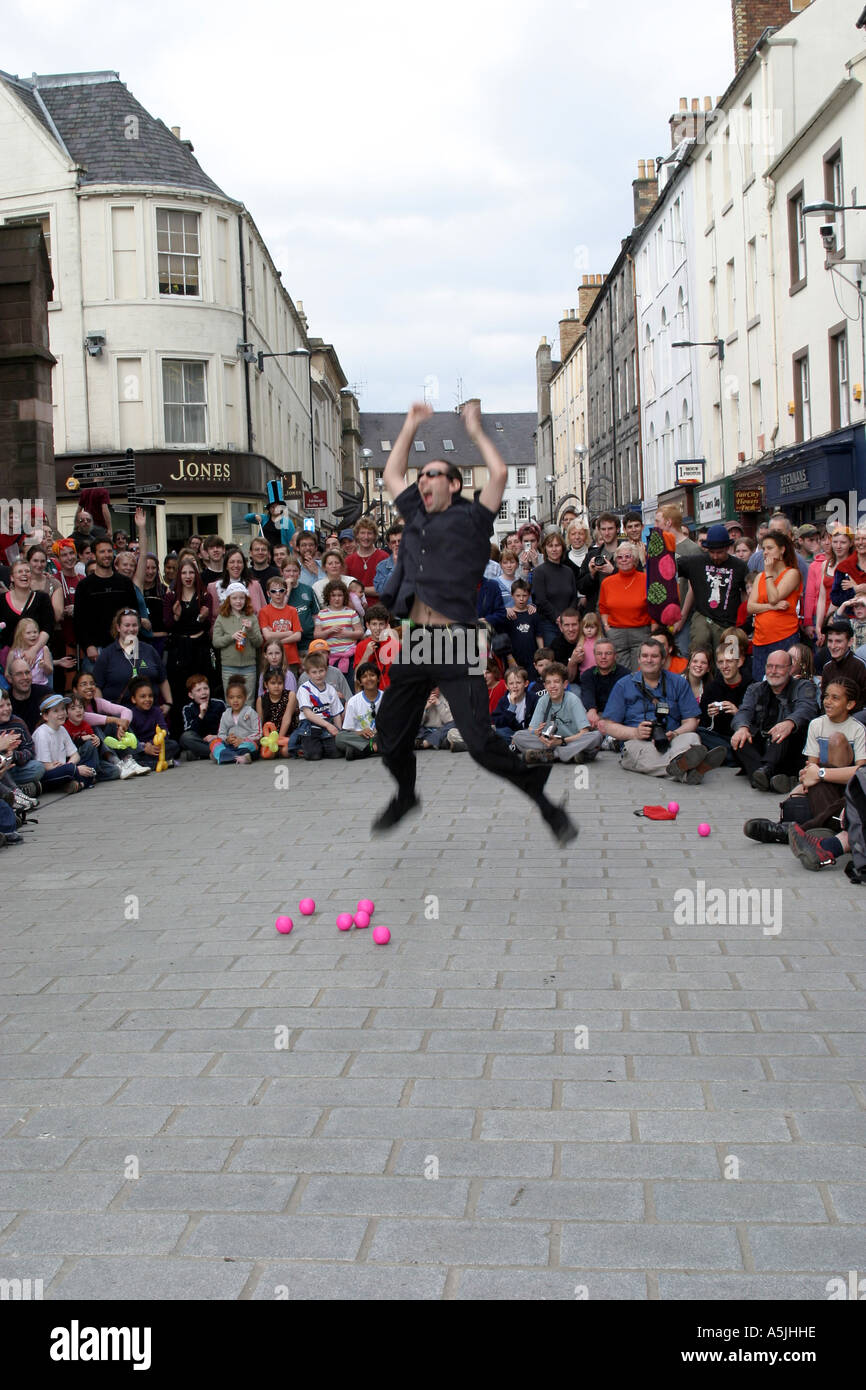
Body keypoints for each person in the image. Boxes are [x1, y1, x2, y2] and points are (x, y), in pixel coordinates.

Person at [375, 400, 577, 844]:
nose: (423, 480)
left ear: (454, 483)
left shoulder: (471, 517)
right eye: (421, 475)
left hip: (457, 639)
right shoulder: (416, 513)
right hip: (418, 639)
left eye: (433, 474)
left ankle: (545, 804)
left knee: (481, 744)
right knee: (388, 735)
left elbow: (500, 474)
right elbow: (392, 473)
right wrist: (409, 424)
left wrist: (475, 430)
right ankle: (406, 794)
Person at [744, 679, 866, 845]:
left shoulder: (858, 730)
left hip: (846, 786)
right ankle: (826, 829)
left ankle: (790, 831)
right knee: (794, 798)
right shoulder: (816, 725)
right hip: (823, 785)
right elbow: (811, 767)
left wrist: (820, 774)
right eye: (826, 696)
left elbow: (860, 773)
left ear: (850, 704)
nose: (828, 702)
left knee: (836, 741)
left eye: (835, 698)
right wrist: (805, 781)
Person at [598, 638, 725, 783]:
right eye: (645, 656)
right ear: (638, 659)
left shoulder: (678, 682)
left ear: (663, 659)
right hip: (639, 742)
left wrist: (676, 733)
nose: (649, 660)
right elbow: (608, 725)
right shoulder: (623, 685)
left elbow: (692, 721)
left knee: (692, 738)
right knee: (637, 755)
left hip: (673, 739)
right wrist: (635, 732)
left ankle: (683, 764)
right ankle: (691, 769)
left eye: (654, 656)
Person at [729, 648, 818, 791]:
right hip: (763, 744)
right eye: (770, 666)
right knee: (739, 738)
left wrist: (790, 722)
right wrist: (742, 728)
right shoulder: (755, 689)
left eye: (779, 667)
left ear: (790, 669)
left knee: (782, 732)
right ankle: (768, 776)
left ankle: (763, 773)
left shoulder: (803, 686)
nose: (773, 671)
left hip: (788, 748)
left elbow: (807, 708)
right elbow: (744, 711)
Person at [676, 523, 748, 656]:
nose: (715, 556)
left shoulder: (740, 567)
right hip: (703, 615)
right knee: (699, 646)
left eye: (719, 552)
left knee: (728, 658)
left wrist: (743, 622)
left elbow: (745, 596)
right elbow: (669, 567)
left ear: (727, 547)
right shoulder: (696, 562)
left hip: (728, 622)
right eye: (712, 552)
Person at [511, 663, 603, 764]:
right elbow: (532, 730)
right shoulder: (543, 701)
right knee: (518, 736)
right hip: (549, 742)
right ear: (545, 685)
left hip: (570, 741)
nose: (552, 686)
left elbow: (584, 732)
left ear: (565, 684)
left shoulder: (572, 700)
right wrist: (538, 734)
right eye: (548, 683)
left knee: (596, 736)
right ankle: (569, 755)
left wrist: (562, 741)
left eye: (556, 682)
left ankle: (551, 755)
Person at [162, 558, 213, 735]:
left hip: (199, 648)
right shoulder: (171, 595)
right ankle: (180, 734)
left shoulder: (205, 596)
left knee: (202, 688)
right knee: (180, 691)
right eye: (184, 573)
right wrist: (176, 617)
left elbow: (204, 626)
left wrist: (201, 618)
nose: (188, 576)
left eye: (191, 572)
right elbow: (167, 624)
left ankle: (203, 731)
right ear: (178, 575)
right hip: (179, 649)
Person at [73, 539, 138, 670]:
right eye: (102, 551)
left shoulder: (125, 583)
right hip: (96, 650)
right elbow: (79, 620)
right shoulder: (84, 586)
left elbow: (133, 612)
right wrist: (88, 646)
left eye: (109, 551)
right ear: (94, 555)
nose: (106, 554)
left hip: (123, 646)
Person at [747, 530, 803, 681]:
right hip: (760, 638)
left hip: (784, 636)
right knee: (760, 682)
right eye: (764, 548)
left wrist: (769, 573)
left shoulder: (792, 573)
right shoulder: (760, 576)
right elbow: (750, 607)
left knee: (782, 680)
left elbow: (773, 597)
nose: (765, 552)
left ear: (782, 549)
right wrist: (772, 608)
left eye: (770, 548)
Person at [92, 609, 171, 710]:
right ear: (118, 627)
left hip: (150, 714)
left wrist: (169, 703)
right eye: (127, 625)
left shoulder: (149, 650)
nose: (131, 629)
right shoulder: (107, 654)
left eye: (134, 625)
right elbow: (97, 686)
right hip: (119, 716)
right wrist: (103, 714)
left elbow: (163, 679)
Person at [598, 542, 651, 674]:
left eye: (628, 556)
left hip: (641, 632)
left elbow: (653, 607)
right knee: (621, 673)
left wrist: (653, 629)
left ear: (635, 559)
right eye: (620, 557)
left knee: (641, 671)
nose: (624, 560)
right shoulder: (607, 582)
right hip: (616, 633)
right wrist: (606, 626)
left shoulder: (646, 580)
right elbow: (603, 607)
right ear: (615, 560)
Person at [32, 692, 97, 793]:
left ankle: (77, 783)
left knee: (88, 764)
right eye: (56, 711)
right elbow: (45, 766)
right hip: (49, 774)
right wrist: (73, 769)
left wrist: (71, 765)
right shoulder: (42, 733)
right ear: (45, 715)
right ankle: (82, 782)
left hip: (63, 768)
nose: (61, 713)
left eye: (62, 709)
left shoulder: (62, 729)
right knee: (71, 771)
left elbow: (75, 755)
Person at [697, 640, 748, 764]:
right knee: (696, 731)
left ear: (739, 662)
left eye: (729, 661)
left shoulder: (751, 687)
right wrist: (709, 714)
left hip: (742, 738)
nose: (724, 666)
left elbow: (758, 722)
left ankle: (725, 757)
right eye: (721, 662)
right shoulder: (712, 688)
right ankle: (728, 756)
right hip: (718, 738)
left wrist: (738, 713)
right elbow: (703, 723)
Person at [211, 583, 263, 703]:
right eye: (234, 598)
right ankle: (232, 722)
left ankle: (247, 722)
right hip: (229, 666)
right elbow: (216, 642)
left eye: (242, 598)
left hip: (249, 666)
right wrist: (231, 637)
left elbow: (259, 642)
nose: (238, 601)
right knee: (231, 702)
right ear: (228, 599)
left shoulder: (252, 617)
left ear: (246, 599)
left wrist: (250, 631)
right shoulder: (222, 617)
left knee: (248, 701)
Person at [288, 650, 344, 760]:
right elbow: (308, 714)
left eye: (321, 671)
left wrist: (338, 731)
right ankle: (300, 743)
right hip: (310, 726)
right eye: (314, 672)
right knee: (314, 755)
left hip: (327, 723)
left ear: (326, 670)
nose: (318, 675)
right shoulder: (304, 689)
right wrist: (328, 726)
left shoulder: (331, 689)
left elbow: (336, 713)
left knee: (336, 753)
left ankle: (323, 745)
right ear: (307, 673)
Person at [1, 559, 54, 669]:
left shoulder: (42, 598)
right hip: (8, 658)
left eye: (27, 571)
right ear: (11, 577)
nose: (24, 574)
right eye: (20, 571)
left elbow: (48, 627)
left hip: (38, 658)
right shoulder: (1, 600)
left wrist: (33, 650)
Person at [530, 530, 578, 644]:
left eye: (557, 545)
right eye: (550, 546)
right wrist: (557, 618)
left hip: (569, 625)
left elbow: (574, 598)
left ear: (562, 548)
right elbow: (541, 600)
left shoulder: (568, 571)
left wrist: (567, 618)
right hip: (549, 625)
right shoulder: (539, 571)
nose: (554, 549)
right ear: (545, 549)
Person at [126, 677, 180, 769]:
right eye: (143, 696)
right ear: (134, 699)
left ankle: (149, 763)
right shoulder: (131, 714)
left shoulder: (157, 711)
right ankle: (159, 763)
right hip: (141, 749)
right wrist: (144, 747)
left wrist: (152, 744)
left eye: (150, 696)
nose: (147, 699)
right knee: (131, 753)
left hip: (156, 745)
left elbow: (164, 731)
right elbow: (131, 738)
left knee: (174, 745)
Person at [313, 580, 363, 677]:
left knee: (349, 685)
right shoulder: (322, 614)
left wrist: (347, 634)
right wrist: (329, 631)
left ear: (344, 596)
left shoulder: (351, 613)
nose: (337, 599)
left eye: (340, 595)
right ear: (328, 596)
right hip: (329, 657)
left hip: (349, 655)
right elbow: (316, 635)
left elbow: (360, 632)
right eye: (333, 595)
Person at [0, 687, 44, 793]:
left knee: (38, 768)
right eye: (1, 706)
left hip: (15, 768)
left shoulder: (18, 723)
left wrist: (14, 755)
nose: (6, 709)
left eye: (9, 704)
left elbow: (29, 749)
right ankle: (18, 791)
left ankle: (14, 789)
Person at [336, 662, 383, 760]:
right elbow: (348, 729)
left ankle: (366, 750)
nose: (369, 679)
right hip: (362, 737)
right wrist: (361, 732)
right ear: (360, 682)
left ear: (378, 678)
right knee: (340, 737)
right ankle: (376, 748)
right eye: (364, 676)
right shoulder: (353, 701)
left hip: (381, 735)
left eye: (372, 675)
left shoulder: (387, 698)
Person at [816, 526, 855, 642]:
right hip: (827, 617)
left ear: (851, 544)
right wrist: (819, 625)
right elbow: (821, 598)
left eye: (843, 542)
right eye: (835, 542)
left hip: (844, 617)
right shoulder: (825, 564)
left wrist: (828, 620)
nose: (838, 546)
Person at [211, 675, 262, 764]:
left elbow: (258, 732)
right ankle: (234, 756)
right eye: (231, 697)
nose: (235, 700)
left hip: (245, 744)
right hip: (230, 745)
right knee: (214, 744)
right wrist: (227, 739)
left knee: (252, 746)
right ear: (227, 699)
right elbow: (221, 733)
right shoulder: (225, 714)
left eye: (239, 697)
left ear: (245, 698)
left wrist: (243, 740)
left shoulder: (250, 712)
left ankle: (226, 757)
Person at [579, 639, 628, 731]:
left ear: (615, 655)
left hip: (618, 717)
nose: (603, 657)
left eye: (608, 653)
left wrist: (608, 720)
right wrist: (591, 709)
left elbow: (624, 704)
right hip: (595, 716)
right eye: (599, 653)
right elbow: (588, 693)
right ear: (594, 655)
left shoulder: (625, 675)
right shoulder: (587, 675)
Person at [819, 619, 866, 711]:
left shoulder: (860, 666)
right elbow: (823, 699)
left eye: (838, 641)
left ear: (850, 642)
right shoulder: (827, 668)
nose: (833, 646)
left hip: (856, 718)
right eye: (830, 641)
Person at [258, 577, 302, 674]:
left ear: (286, 592)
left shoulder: (292, 610)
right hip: (271, 660)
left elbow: (298, 636)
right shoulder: (264, 611)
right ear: (268, 594)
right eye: (273, 591)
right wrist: (289, 632)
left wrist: (278, 641)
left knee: (291, 687)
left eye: (281, 590)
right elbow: (267, 636)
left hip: (291, 658)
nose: (278, 594)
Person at [208, 546, 266, 618]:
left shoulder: (255, 585)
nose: (236, 565)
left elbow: (264, 613)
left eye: (239, 562)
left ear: (244, 565)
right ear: (226, 566)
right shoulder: (213, 587)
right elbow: (211, 618)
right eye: (232, 562)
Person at [179, 674, 227, 762]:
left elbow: (229, 725)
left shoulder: (219, 704)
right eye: (198, 690)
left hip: (218, 738)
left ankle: (200, 754)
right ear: (191, 695)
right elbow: (190, 731)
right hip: (200, 741)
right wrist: (201, 714)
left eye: (206, 688)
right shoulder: (188, 708)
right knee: (185, 737)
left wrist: (216, 736)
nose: (203, 692)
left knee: (232, 736)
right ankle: (220, 752)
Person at [577, 512, 619, 611]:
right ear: (599, 530)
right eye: (603, 529)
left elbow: (635, 581)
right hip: (597, 611)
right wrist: (591, 574)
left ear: (617, 529)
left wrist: (613, 571)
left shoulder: (627, 552)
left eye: (610, 528)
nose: (607, 533)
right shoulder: (592, 555)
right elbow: (581, 587)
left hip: (620, 611)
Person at [353, 605, 398, 690]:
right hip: (371, 693)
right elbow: (357, 674)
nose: (377, 628)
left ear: (386, 625)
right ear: (368, 625)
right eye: (374, 624)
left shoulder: (394, 644)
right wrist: (367, 654)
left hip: (390, 692)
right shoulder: (361, 645)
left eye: (381, 624)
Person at [504, 580, 544, 672]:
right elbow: (505, 640)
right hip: (514, 658)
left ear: (529, 595)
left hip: (532, 658)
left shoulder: (533, 614)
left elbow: (539, 635)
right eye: (518, 596)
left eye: (524, 595)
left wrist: (541, 655)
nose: (521, 599)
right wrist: (509, 658)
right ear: (512, 595)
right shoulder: (508, 615)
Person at [281, 556, 318, 656]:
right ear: (282, 572)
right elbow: (280, 609)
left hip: (308, 642)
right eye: (288, 571)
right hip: (288, 642)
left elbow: (315, 614)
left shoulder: (307, 589)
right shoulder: (277, 591)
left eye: (295, 571)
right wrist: (288, 588)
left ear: (300, 573)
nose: (291, 574)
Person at [491, 666, 540, 740]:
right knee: (500, 732)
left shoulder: (533, 698)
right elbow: (499, 723)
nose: (515, 686)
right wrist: (512, 707)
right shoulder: (504, 701)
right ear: (506, 686)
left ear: (526, 683)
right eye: (511, 683)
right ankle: (516, 744)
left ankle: (516, 744)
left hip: (527, 732)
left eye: (518, 682)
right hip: (511, 733)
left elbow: (537, 720)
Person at [5, 617, 53, 690]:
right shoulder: (14, 652)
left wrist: (44, 666)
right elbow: (7, 674)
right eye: (28, 633)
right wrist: (16, 684)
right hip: (21, 689)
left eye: (35, 632)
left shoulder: (44, 649)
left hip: (41, 687)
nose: (33, 635)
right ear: (20, 635)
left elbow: (49, 672)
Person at [256, 668, 297, 749]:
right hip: (268, 735)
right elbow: (260, 722)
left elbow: (287, 718)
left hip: (287, 734)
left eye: (280, 683)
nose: (276, 686)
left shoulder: (290, 695)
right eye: (273, 683)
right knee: (268, 753)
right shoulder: (261, 699)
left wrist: (278, 740)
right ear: (266, 684)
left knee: (285, 751)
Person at [374, 524, 403, 595]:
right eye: (393, 542)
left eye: (400, 541)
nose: (397, 544)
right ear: (389, 545)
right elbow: (383, 592)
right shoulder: (382, 567)